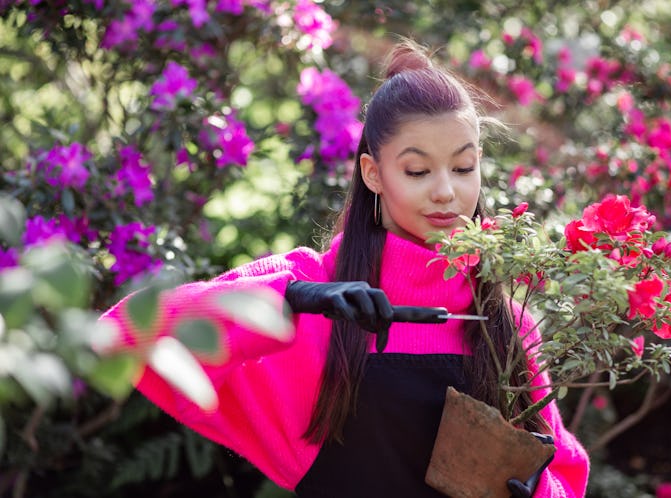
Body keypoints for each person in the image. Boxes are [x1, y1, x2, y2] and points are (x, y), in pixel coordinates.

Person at [99, 39, 590, 497]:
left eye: (463, 168)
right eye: (417, 171)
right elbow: (127, 334)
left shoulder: (505, 325)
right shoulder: (311, 292)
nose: (446, 191)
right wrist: (285, 301)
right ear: (373, 173)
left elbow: (564, 472)